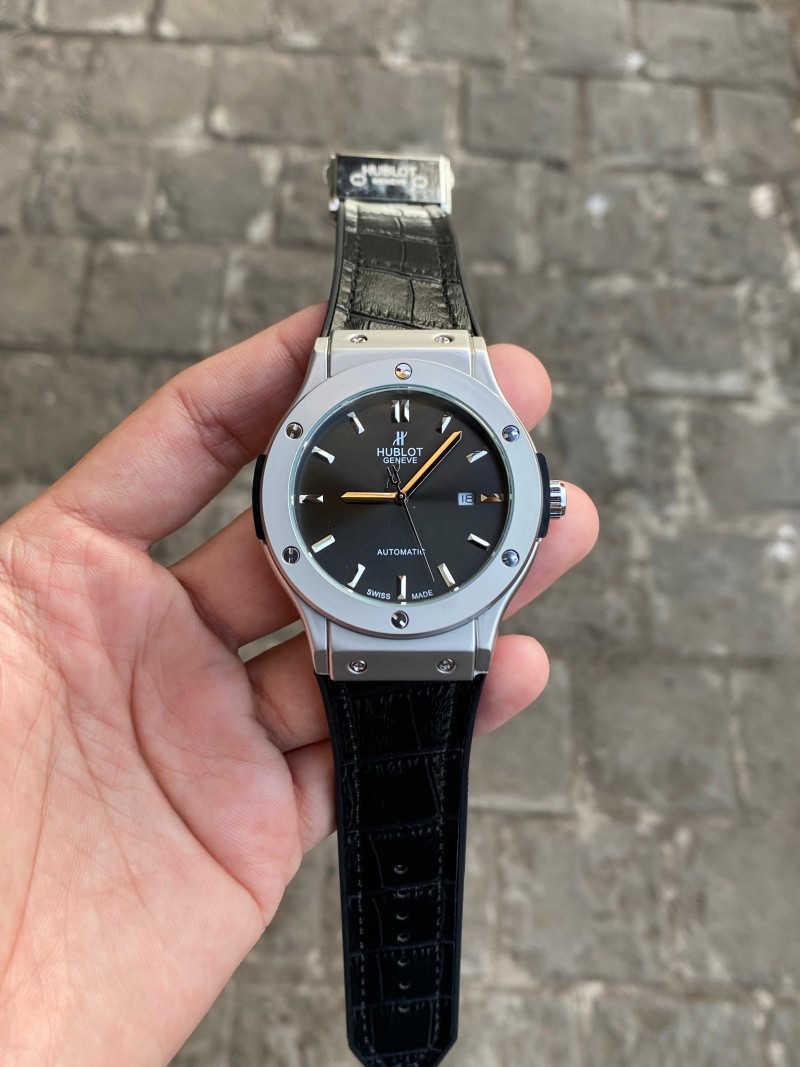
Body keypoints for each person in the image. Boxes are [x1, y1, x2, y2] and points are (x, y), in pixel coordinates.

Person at [0, 305, 598, 1063]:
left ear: (535, 502)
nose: (402, 500)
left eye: (412, 493)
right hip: (371, 625)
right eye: (390, 494)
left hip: (425, 624)